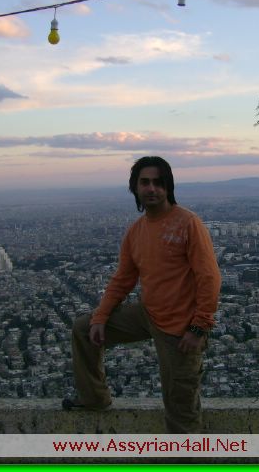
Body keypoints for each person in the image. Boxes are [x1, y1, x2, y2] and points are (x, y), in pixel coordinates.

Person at [63, 156, 221, 433]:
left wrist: (199, 327)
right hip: (148, 313)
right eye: (145, 182)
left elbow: (209, 277)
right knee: (84, 329)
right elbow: (123, 279)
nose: (151, 189)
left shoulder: (187, 223)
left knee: (180, 409)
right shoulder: (136, 231)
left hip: (180, 326)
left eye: (158, 183)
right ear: (135, 188)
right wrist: (100, 317)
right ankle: (94, 398)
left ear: (168, 187)